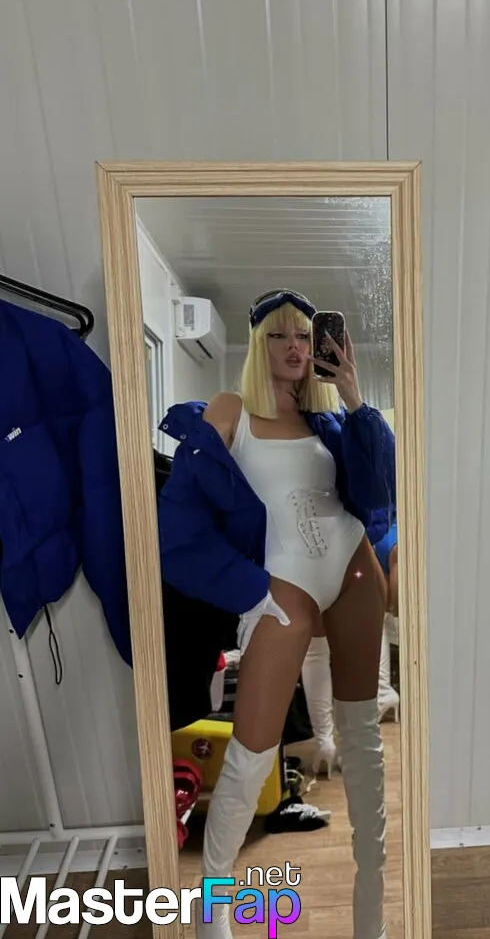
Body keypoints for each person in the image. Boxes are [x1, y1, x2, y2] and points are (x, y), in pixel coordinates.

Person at [156, 289, 394, 939]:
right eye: (279, 336)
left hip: (353, 568)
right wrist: (246, 589)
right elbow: (178, 523)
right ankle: (213, 908)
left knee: (363, 742)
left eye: (305, 336)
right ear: (258, 344)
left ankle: (371, 915)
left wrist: (353, 396)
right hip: (280, 583)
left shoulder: (330, 418)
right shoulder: (229, 410)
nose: (295, 347)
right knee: (252, 748)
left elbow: (376, 493)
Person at [302, 511, 399, 780]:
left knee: (315, 651)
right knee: (360, 642)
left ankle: (325, 742)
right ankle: (354, 745)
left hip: (305, 548)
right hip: (355, 549)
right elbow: (378, 511)